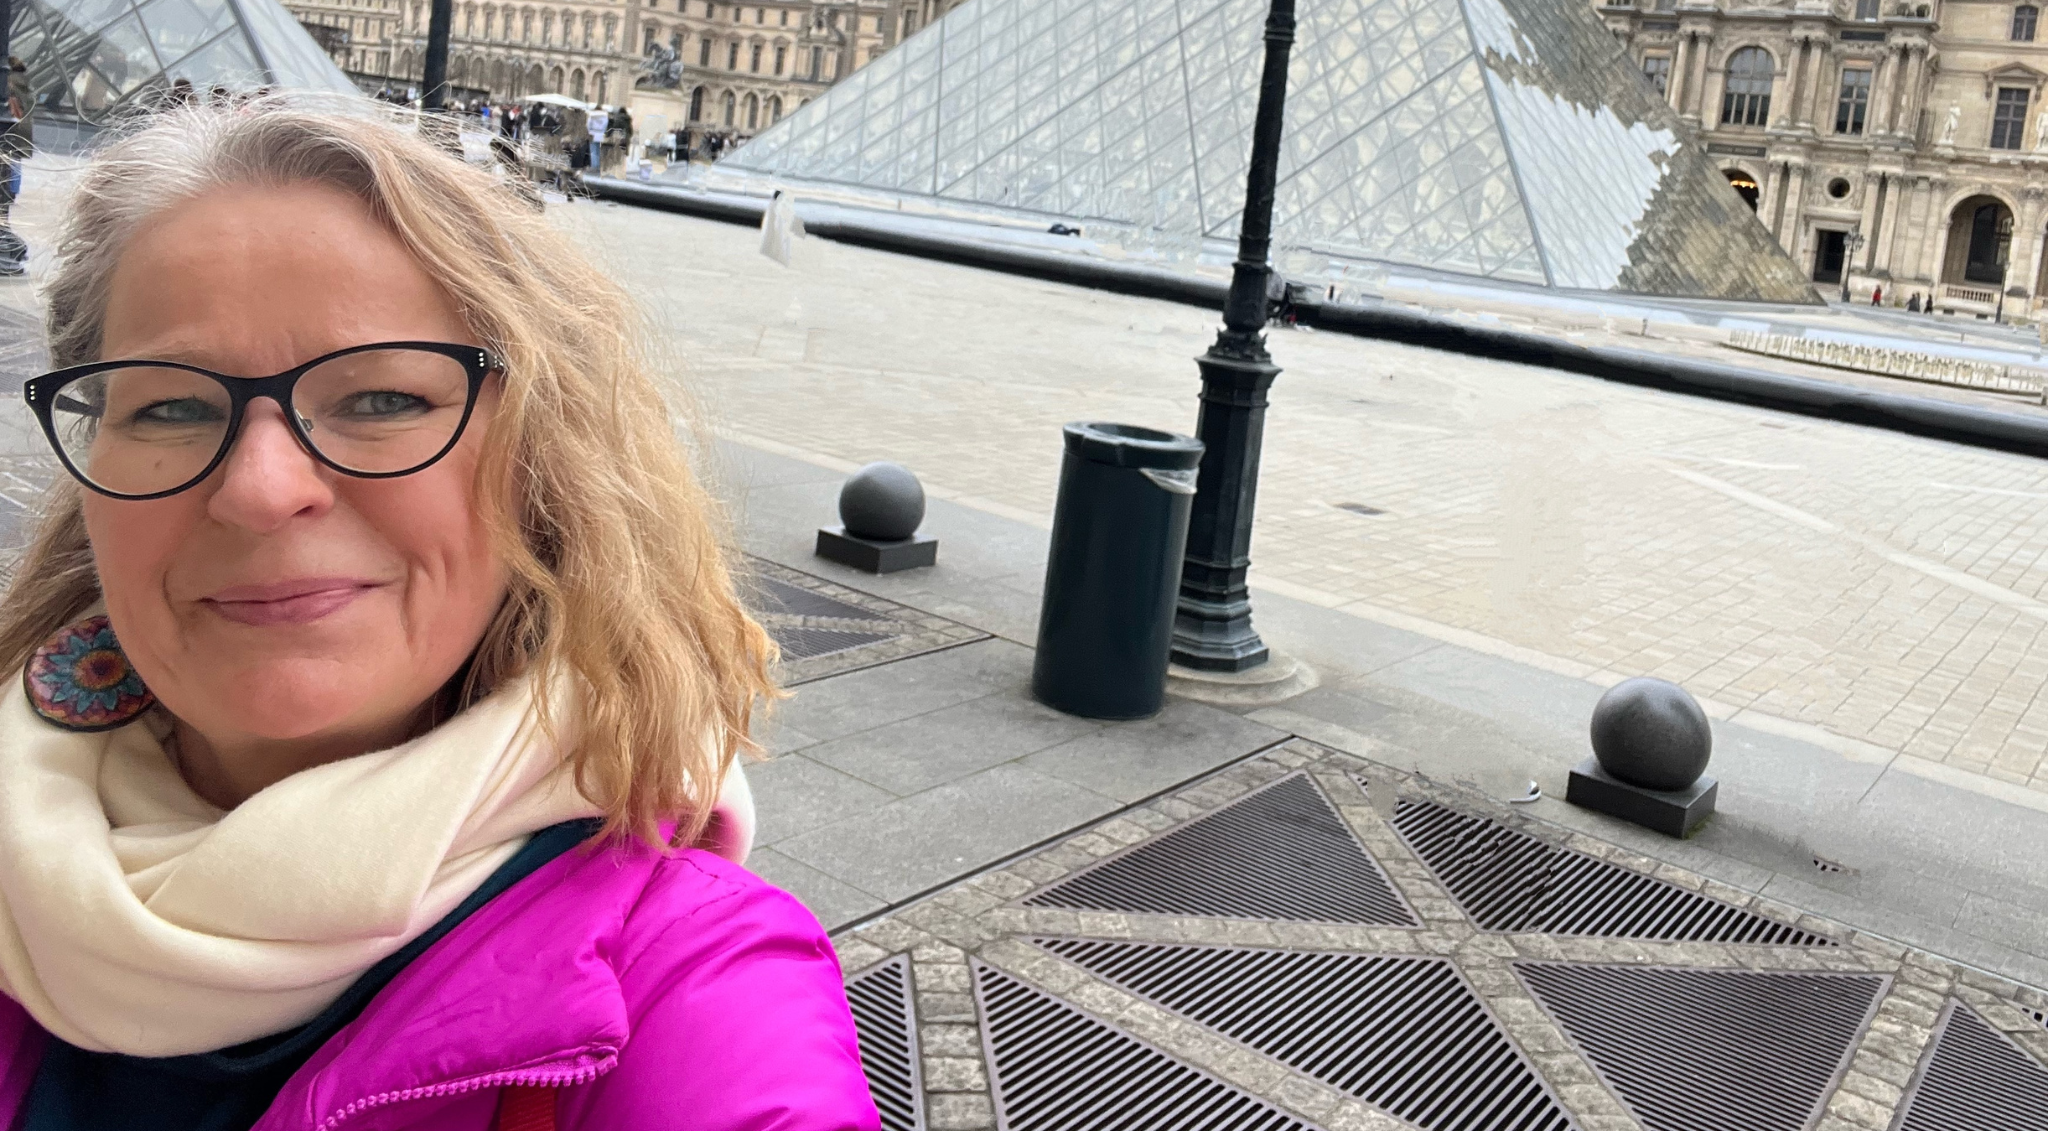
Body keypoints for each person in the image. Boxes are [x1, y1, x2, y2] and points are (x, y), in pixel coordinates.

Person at [0, 98, 876, 1130]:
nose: (261, 489)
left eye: (382, 400)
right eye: (171, 406)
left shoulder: (689, 984)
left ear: (543, 466)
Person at [584, 103, 608, 173]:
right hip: (600, 134)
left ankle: (594, 166)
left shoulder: (592, 116)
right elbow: (605, 126)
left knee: (593, 151)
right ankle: (598, 166)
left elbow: (588, 125)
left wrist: (589, 131)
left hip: (593, 134)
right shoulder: (604, 117)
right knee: (598, 150)